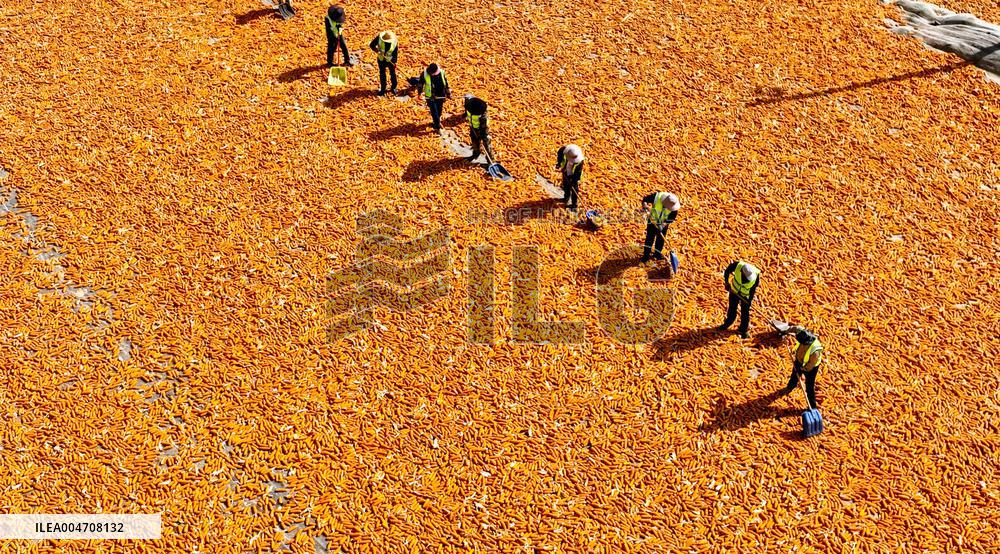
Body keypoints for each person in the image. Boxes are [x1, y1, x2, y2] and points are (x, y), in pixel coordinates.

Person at [781, 327, 823, 409]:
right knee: (794, 375)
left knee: (809, 386)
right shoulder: (802, 333)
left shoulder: (815, 350)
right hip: (799, 360)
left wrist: (803, 369)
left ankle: (812, 406)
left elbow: (811, 364)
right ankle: (790, 387)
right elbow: (795, 328)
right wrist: (785, 331)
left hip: (811, 368)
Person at [718, 260, 759, 339]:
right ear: (742, 272)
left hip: (745, 296)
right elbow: (727, 271)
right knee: (732, 308)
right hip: (734, 291)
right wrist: (727, 283)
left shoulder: (756, 276)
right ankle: (728, 323)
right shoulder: (737, 266)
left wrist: (749, 300)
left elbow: (753, 289)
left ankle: (743, 330)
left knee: (745, 312)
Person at [639, 192, 679, 262]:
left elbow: (671, 218)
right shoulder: (657, 197)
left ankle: (657, 255)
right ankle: (646, 256)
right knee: (649, 238)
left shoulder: (673, 206)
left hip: (662, 224)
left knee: (660, 240)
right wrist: (645, 205)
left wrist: (663, 225)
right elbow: (645, 199)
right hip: (652, 220)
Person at [464, 95, 496, 162]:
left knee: (486, 145)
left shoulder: (483, 117)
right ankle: (476, 153)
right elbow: (467, 98)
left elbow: (483, 128)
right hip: (473, 128)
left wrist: (483, 136)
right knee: (474, 141)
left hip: (482, 130)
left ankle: (491, 160)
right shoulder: (469, 107)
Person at [555, 145, 584, 211]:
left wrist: (573, 180)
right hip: (565, 171)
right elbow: (559, 155)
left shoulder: (580, 161)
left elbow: (578, 173)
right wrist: (559, 163)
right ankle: (566, 198)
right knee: (565, 185)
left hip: (574, 175)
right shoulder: (563, 150)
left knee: (574, 189)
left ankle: (574, 205)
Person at [422, 63, 450, 131]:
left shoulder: (441, 73)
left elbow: (445, 83)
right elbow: (421, 83)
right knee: (434, 111)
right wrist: (419, 93)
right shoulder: (425, 73)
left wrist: (448, 93)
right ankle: (437, 125)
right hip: (430, 96)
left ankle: (437, 121)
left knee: (439, 109)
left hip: (441, 95)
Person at [369, 31, 398, 95]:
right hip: (381, 59)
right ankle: (383, 89)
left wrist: (395, 62)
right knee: (382, 74)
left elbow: (395, 52)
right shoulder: (379, 38)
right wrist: (377, 50)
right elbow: (371, 45)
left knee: (392, 73)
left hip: (391, 60)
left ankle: (393, 87)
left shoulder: (394, 41)